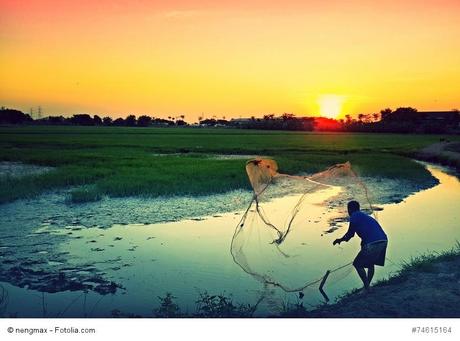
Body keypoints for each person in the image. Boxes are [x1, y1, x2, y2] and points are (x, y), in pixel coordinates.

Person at [333, 200, 388, 291]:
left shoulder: (354, 216)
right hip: (383, 241)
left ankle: (367, 288)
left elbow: (350, 234)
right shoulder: (366, 217)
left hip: (372, 243)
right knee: (370, 264)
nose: (348, 212)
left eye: (348, 210)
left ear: (350, 209)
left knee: (357, 264)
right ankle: (367, 286)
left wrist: (340, 240)